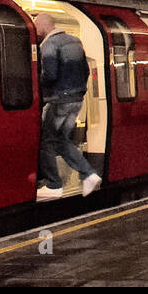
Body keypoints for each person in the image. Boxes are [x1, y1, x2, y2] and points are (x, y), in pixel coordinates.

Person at [35, 14, 102, 200]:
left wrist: (34, 85)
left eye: (36, 26)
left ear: (42, 26)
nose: (36, 30)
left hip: (59, 101)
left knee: (46, 141)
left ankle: (53, 184)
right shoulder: (75, 41)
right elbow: (86, 70)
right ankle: (89, 174)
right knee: (61, 140)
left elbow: (49, 75)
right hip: (76, 100)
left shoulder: (49, 45)